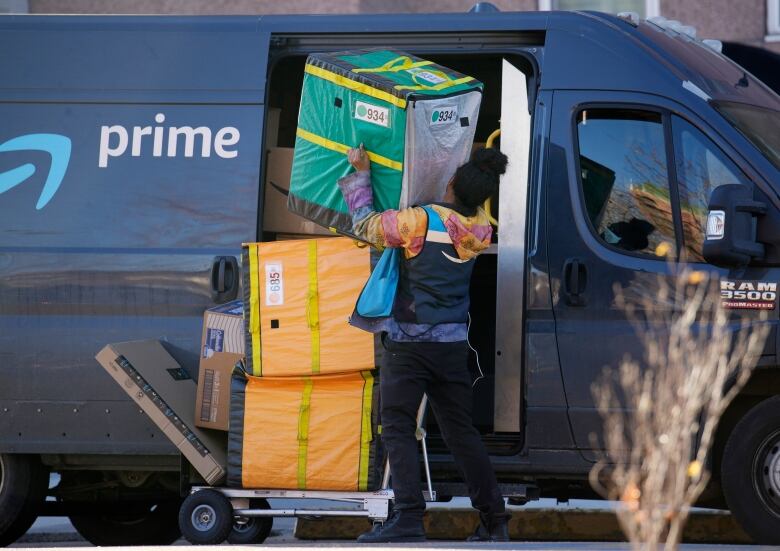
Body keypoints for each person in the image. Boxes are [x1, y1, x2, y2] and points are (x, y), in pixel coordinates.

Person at [337, 144, 511, 543]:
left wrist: (361, 173)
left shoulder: (418, 222)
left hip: (409, 344)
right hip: (451, 347)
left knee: (396, 427)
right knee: (461, 433)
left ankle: (410, 517)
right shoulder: (481, 230)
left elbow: (365, 226)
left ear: (449, 183)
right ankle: (494, 520)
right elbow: (472, 208)